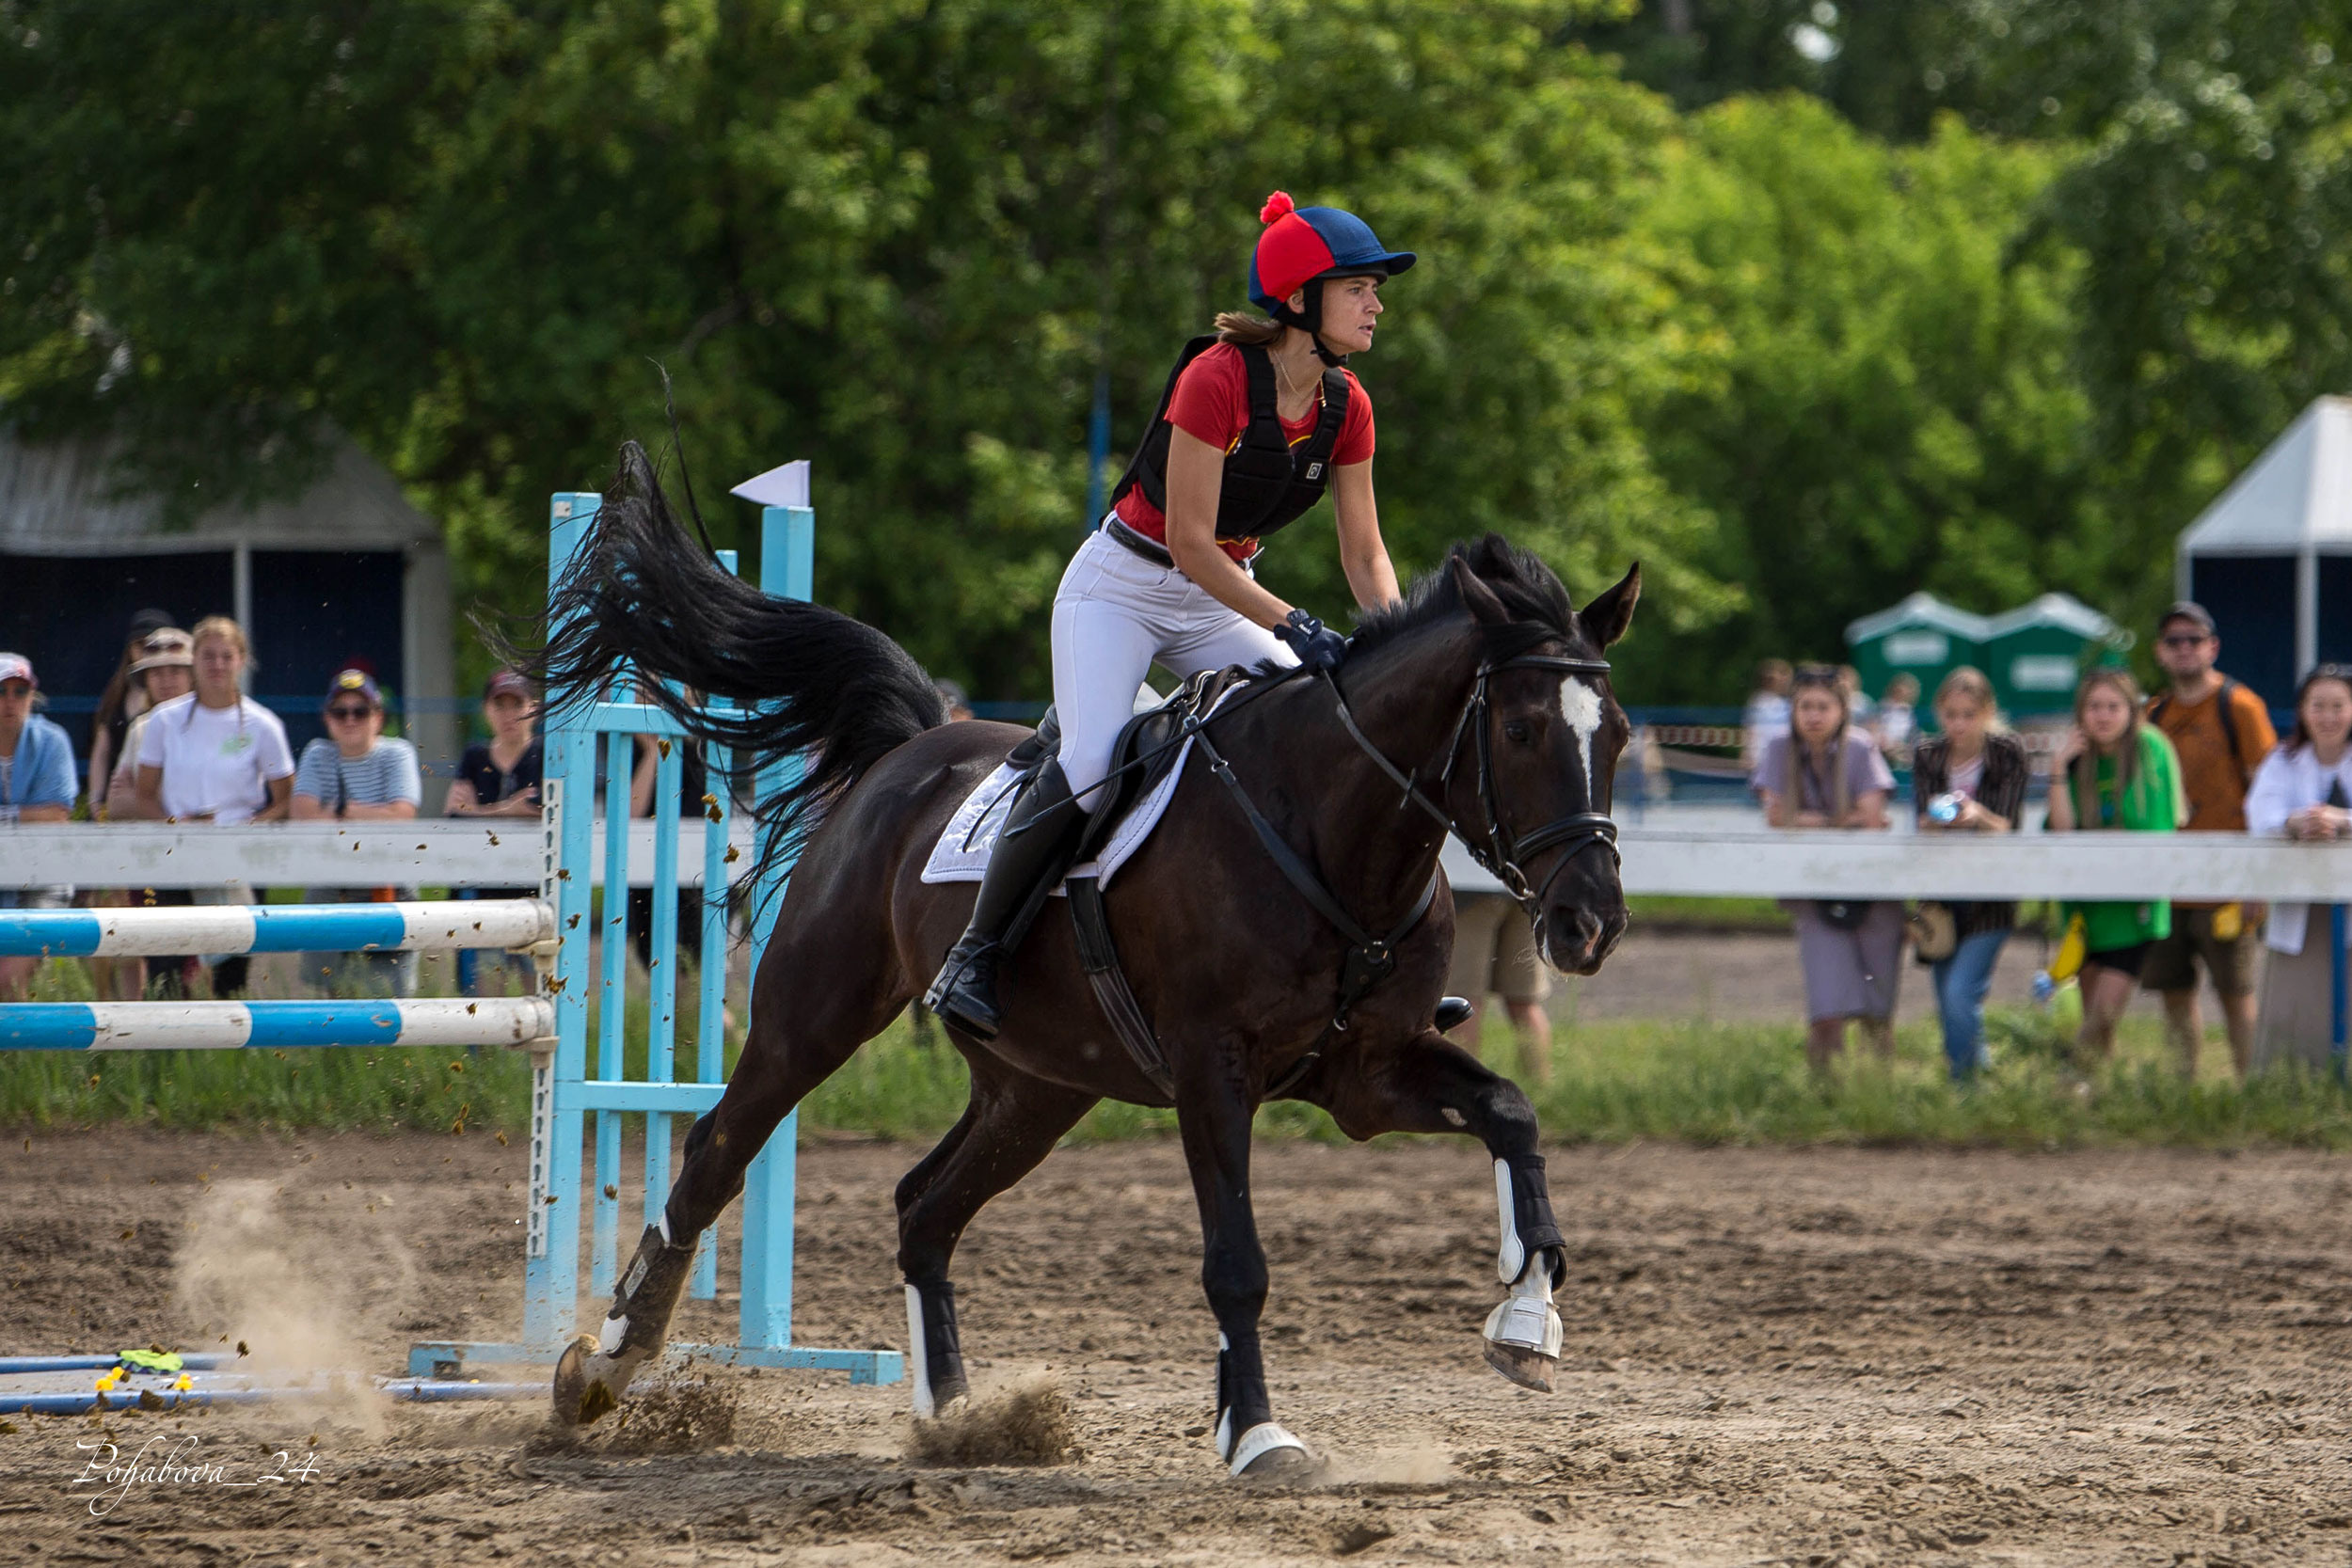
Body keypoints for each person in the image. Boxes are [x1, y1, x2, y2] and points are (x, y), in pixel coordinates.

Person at [925, 189, 1413, 1040]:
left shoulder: (1349, 406)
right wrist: (1292, 621)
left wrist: (1397, 647)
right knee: (1090, 762)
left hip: (1216, 597)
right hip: (1120, 588)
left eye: (1374, 290)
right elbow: (1189, 542)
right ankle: (977, 953)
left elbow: (1366, 555)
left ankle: (1369, 968)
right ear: (1300, 299)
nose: (1376, 305)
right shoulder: (1216, 378)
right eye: (1359, 288)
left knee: (1329, 731)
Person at [2139, 600, 2277, 1078]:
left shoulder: (2240, 706)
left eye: (2193, 640)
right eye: (2173, 641)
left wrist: (2258, 880)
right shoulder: (2152, 714)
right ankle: (2184, 1095)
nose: (2184, 649)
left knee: (2237, 995)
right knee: (2175, 995)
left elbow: (2267, 796)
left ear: (2212, 647)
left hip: (2228, 882)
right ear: (2160, 651)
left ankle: (2251, 1092)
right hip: (2169, 883)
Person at [134, 616, 295, 997]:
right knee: (166, 972)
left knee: (231, 975)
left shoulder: (263, 724)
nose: (217, 665)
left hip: (239, 858)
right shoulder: (164, 721)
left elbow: (286, 799)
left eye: (227, 656)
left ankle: (229, 1037)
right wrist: (174, 824)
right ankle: (168, 1036)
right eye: (208, 656)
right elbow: (144, 794)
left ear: (242, 661)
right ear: (194, 660)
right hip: (175, 855)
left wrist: (251, 826)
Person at [1753, 663, 1900, 1072]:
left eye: (1823, 707)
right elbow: (1775, 814)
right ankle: (1824, 1096)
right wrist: (1841, 818)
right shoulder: (1779, 748)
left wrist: (1804, 819)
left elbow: (1872, 816)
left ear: (1842, 710)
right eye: (1805, 706)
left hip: (1872, 890)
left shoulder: (1860, 747)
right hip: (1813, 891)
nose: (1814, 716)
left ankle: (1879, 1091)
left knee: (1877, 1009)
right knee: (1825, 1009)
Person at [2044, 668, 2185, 1066]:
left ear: (2130, 710)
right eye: (2094, 707)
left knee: (2102, 1017)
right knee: (2096, 1022)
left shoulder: (2149, 747)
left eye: (2113, 706)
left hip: (2132, 906)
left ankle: (2067, 1082)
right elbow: (2062, 832)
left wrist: (2096, 841)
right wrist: (2058, 770)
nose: (2103, 716)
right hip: (2086, 909)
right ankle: (2097, 1092)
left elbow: (2152, 826)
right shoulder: (2077, 759)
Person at [1910, 668, 2029, 1083]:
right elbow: (1923, 820)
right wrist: (1939, 818)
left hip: (1991, 895)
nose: (1958, 724)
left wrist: (1976, 814)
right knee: (1949, 1000)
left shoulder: (2007, 751)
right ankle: (1976, 1076)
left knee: (1961, 993)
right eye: (1951, 715)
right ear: (1939, 713)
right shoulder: (1928, 754)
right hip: (1941, 898)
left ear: (1987, 713)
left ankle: (1965, 1086)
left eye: (1969, 715)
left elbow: (2007, 824)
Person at [2244, 665, 2352, 1074]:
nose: (2328, 717)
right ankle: (2292, 1090)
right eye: (2318, 706)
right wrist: (2294, 822)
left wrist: (2341, 820)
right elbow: (2260, 811)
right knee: (2296, 1009)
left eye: (2338, 706)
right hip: (2301, 911)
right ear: (2303, 711)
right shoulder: (2282, 760)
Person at [292, 670, 422, 996]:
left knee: (388, 992)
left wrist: (341, 810)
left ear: (378, 717)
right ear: (327, 718)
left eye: (360, 711)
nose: (350, 719)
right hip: (331, 880)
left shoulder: (398, 752)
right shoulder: (317, 753)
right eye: (340, 712)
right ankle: (332, 1031)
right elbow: (301, 817)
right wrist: (376, 814)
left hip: (387, 882)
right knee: (325, 991)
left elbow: (403, 816)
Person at [94, 628, 199, 1000]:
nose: (166, 680)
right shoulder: (141, 729)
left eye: (176, 670)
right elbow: (118, 803)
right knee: (161, 964)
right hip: (154, 861)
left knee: (218, 961)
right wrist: (170, 817)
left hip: (209, 862)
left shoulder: (216, 724)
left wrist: (146, 804)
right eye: (156, 672)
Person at [447, 670, 544, 995]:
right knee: (487, 996)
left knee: (539, 994)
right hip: (483, 893)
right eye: (499, 705)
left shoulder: (546, 753)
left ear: (533, 708)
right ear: (486, 710)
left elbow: (547, 810)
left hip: (535, 893)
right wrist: (510, 808)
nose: (508, 715)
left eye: (517, 705)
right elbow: (456, 813)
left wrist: (482, 811)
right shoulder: (475, 756)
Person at [0, 654, 80, 999]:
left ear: (32, 696)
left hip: (43, 876)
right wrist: (27, 814)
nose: (10, 701)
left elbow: (57, 814)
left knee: (7, 978)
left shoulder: (52, 739)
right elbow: (45, 812)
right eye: (1, 691)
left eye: (20, 691)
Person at [1441, 844, 1552, 1084]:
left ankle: (1466, 1089)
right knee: (1524, 1001)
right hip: (1522, 887)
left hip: (1469, 890)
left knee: (1464, 1001)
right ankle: (1541, 1086)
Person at [1741, 659, 1792, 771]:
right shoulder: (1758, 701)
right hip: (1760, 758)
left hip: (1784, 758)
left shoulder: (1792, 702)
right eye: (1772, 679)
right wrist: (1746, 752)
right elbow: (1750, 728)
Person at [1874, 673, 1920, 756]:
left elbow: (1914, 736)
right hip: (1881, 750)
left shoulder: (1911, 713)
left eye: (1905, 692)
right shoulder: (1880, 708)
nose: (1901, 695)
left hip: (1903, 751)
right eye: (1897, 691)